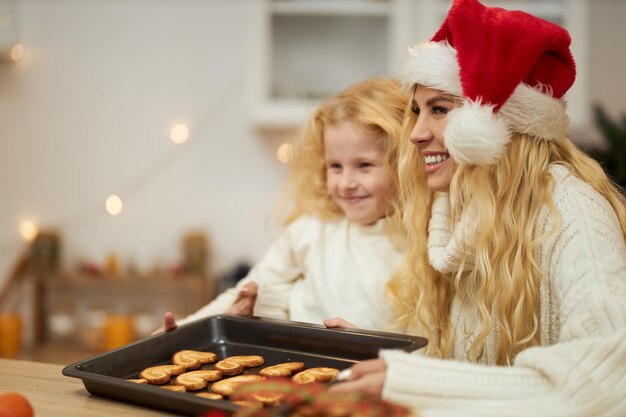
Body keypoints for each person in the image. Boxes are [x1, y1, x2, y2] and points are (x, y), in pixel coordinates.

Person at [330, 1, 626, 416]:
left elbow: (612, 383)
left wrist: (415, 382)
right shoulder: (457, 211)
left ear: (495, 122)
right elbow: (474, 375)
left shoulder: (573, 211)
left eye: (440, 109)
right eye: (417, 111)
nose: (415, 134)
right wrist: (384, 353)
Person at [157, 77, 409, 333]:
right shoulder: (312, 229)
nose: (345, 183)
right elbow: (243, 295)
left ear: (405, 164)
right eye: (335, 166)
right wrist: (183, 331)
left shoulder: (420, 247)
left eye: (364, 165)